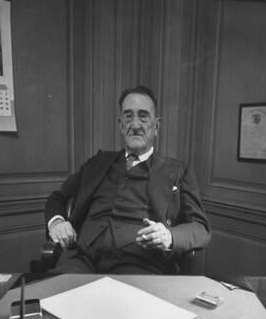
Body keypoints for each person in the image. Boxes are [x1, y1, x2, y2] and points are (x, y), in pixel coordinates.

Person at [45, 85, 211, 274]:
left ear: (156, 126)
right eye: (128, 116)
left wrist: (169, 236)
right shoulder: (97, 163)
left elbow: (201, 228)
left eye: (143, 116)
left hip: (140, 264)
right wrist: (57, 223)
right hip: (82, 260)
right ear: (121, 125)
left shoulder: (178, 170)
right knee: (53, 296)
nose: (135, 125)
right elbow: (57, 198)